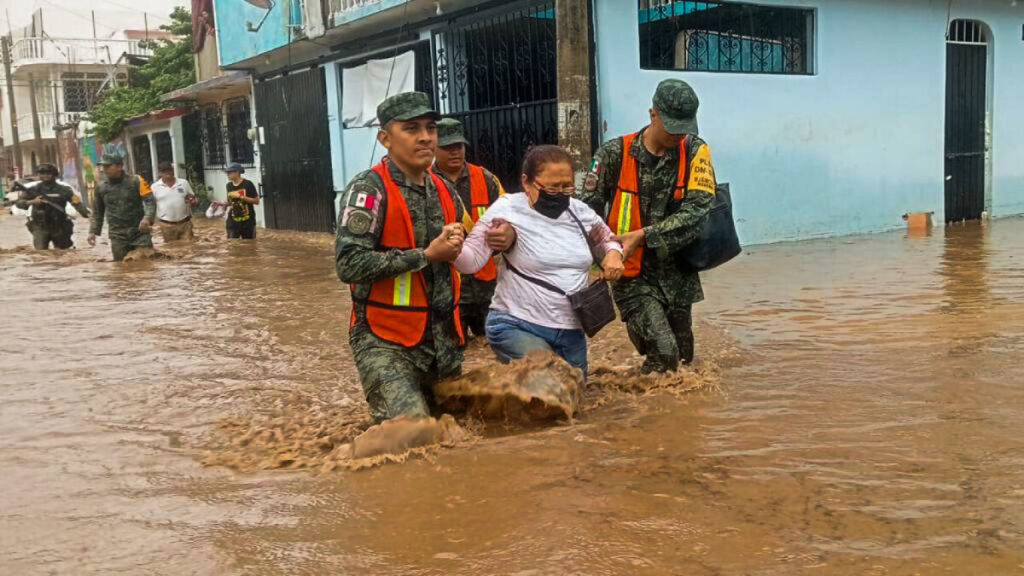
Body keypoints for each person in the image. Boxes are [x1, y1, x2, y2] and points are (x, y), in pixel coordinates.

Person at [335, 91, 470, 424]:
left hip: (442, 342)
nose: (425, 137)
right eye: (411, 128)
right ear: (385, 138)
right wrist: (424, 255)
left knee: (460, 432)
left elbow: (466, 246)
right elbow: (349, 263)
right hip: (385, 340)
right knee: (412, 431)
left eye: (430, 128)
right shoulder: (368, 189)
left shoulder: (444, 189)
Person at [578, 79, 717, 373]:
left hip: (679, 275)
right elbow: (585, 213)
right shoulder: (613, 154)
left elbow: (698, 211)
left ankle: (659, 413)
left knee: (682, 361)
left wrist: (643, 235)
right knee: (665, 353)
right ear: (653, 114)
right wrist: (605, 255)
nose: (679, 134)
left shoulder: (696, 151)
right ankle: (631, 416)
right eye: (671, 125)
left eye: (684, 126)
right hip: (632, 275)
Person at [456, 145, 625, 376]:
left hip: (571, 331)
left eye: (567, 186)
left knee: (575, 394)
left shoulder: (579, 211)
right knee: (551, 382)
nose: (560, 193)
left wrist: (614, 255)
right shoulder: (507, 209)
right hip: (517, 324)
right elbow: (470, 262)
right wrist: (451, 245)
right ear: (527, 182)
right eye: (552, 187)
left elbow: (608, 239)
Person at [432, 118, 506, 338]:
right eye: (447, 147)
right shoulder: (424, 182)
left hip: (486, 287)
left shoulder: (486, 179)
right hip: (447, 288)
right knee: (453, 349)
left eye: (459, 146)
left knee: (494, 345)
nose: (455, 152)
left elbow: (508, 220)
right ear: (434, 148)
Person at [87, 154, 157, 261]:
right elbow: (97, 212)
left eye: (108, 166)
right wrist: (93, 231)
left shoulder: (136, 181)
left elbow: (149, 200)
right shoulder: (101, 187)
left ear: (119, 167)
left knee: (147, 263)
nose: (104, 170)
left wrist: (147, 218)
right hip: (117, 236)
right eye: (103, 167)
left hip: (139, 232)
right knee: (121, 267)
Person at [15, 164, 90, 250]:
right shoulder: (33, 190)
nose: (45, 176)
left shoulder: (65, 190)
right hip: (40, 227)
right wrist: (33, 202)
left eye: (48, 173)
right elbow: (19, 204)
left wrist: (89, 215)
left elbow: (77, 204)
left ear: (54, 174)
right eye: (42, 173)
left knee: (63, 253)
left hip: (60, 227)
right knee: (41, 253)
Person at [151, 162, 197, 242]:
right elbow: (150, 205)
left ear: (173, 170)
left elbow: (192, 198)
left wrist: (193, 201)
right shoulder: (154, 187)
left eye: (169, 170)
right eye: (164, 171)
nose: (168, 173)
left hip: (185, 223)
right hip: (166, 225)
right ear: (160, 173)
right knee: (171, 248)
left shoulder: (183, 183)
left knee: (189, 248)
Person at [225, 163, 259, 239]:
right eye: (227, 172)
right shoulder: (229, 186)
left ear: (237, 172)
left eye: (229, 172)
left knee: (249, 246)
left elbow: (256, 201)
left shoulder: (248, 184)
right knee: (233, 245)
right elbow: (230, 202)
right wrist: (223, 203)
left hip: (248, 221)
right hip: (233, 221)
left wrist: (241, 197)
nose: (227, 174)